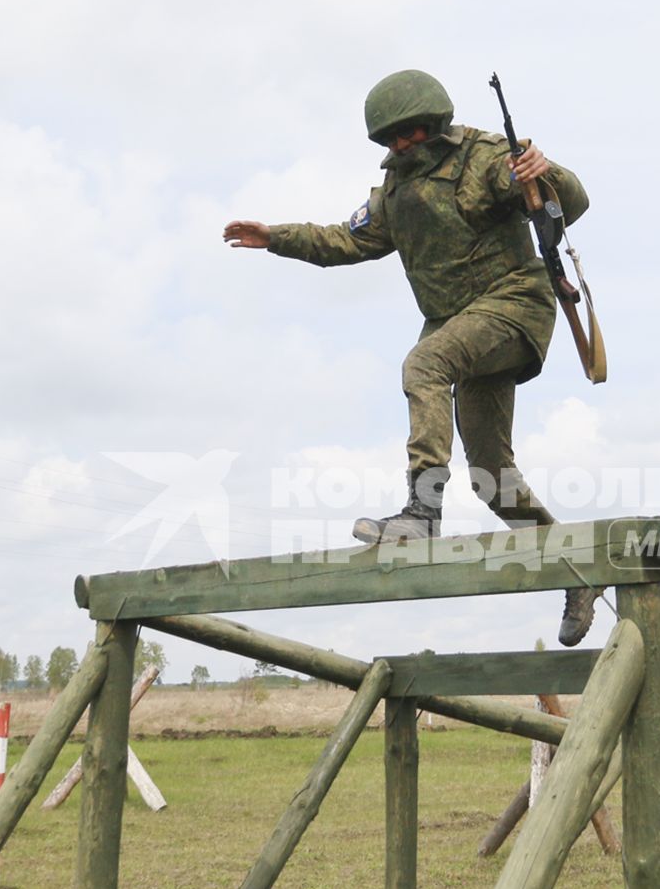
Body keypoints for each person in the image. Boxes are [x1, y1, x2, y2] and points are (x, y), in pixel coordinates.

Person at [223, 69, 598, 646]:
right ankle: (581, 570)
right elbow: (344, 240)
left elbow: (565, 205)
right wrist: (276, 237)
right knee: (492, 478)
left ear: (435, 124)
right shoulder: (394, 195)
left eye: (410, 134)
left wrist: (546, 173)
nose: (401, 146)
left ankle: (421, 512)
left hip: (514, 308)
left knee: (423, 364)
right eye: (391, 140)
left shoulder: (484, 158)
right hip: (460, 328)